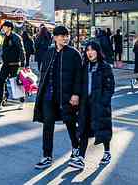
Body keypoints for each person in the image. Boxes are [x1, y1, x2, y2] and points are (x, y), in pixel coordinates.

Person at [33, 25, 82, 170]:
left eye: (67, 35)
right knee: (47, 125)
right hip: (49, 96)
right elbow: (44, 73)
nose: (65, 38)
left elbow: (79, 76)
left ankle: (76, 149)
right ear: (55, 37)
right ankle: (47, 156)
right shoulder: (49, 52)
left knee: (70, 123)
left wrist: (76, 93)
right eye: (62, 36)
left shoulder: (74, 54)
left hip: (66, 96)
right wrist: (39, 91)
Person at [69, 41, 114, 170]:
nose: (89, 52)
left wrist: (104, 102)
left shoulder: (105, 67)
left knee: (103, 128)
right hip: (85, 104)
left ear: (98, 51)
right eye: (87, 50)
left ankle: (107, 152)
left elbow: (110, 87)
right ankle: (81, 159)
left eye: (92, 50)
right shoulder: (85, 67)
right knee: (83, 130)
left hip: (99, 104)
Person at [0, 21, 26, 110]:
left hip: (14, 64)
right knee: (1, 82)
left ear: (9, 28)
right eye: (3, 27)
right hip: (5, 64)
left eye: (5, 27)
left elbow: (21, 50)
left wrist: (23, 64)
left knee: (16, 83)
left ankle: (22, 101)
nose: (3, 28)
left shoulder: (16, 37)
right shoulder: (4, 37)